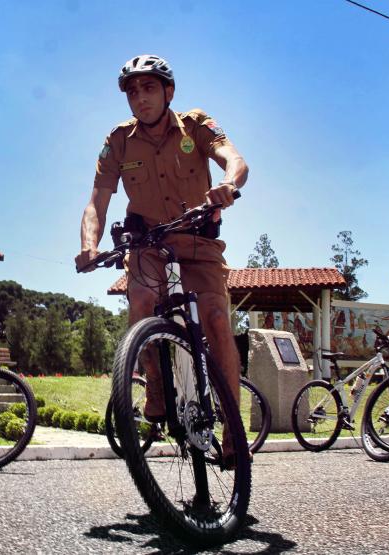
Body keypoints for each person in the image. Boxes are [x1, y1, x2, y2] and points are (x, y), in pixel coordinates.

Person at [75, 54, 249, 463]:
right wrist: (89, 244)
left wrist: (227, 185)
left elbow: (235, 159)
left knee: (217, 319)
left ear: (168, 91)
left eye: (149, 87)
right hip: (148, 242)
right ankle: (155, 384)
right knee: (141, 299)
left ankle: (234, 433)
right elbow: (96, 202)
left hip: (197, 239)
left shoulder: (196, 124)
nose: (140, 98)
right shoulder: (118, 140)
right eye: (132, 91)